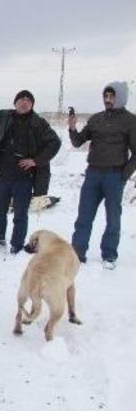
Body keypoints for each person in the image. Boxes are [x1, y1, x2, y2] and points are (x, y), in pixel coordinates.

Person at [0, 77, 61, 256]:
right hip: (4, 176)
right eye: (21, 99)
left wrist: (36, 161)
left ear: (32, 105)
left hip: (24, 178)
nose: (24, 103)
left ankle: (16, 246)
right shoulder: (4, 117)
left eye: (28, 100)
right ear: (15, 102)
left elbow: (55, 143)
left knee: (20, 215)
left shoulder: (38, 123)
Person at [69, 81, 136, 270]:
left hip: (114, 176)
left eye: (112, 96)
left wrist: (124, 175)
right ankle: (77, 253)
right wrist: (73, 128)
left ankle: (109, 255)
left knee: (113, 218)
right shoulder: (96, 119)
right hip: (92, 174)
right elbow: (77, 142)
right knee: (84, 216)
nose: (107, 100)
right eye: (105, 96)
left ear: (120, 97)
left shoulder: (131, 120)